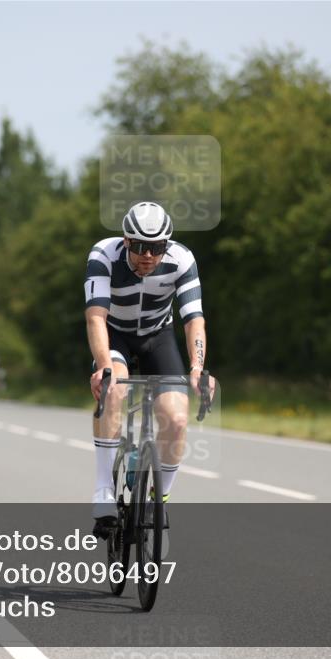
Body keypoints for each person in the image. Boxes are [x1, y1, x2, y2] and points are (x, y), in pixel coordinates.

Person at [85, 201, 216, 537]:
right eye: (141, 246)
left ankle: (160, 497)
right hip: (116, 334)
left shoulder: (181, 260)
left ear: (166, 245)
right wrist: (103, 367)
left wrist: (198, 368)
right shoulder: (103, 256)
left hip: (158, 336)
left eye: (157, 248)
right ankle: (103, 491)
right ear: (126, 241)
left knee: (176, 417)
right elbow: (96, 317)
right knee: (115, 387)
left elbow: (193, 319)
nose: (148, 256)